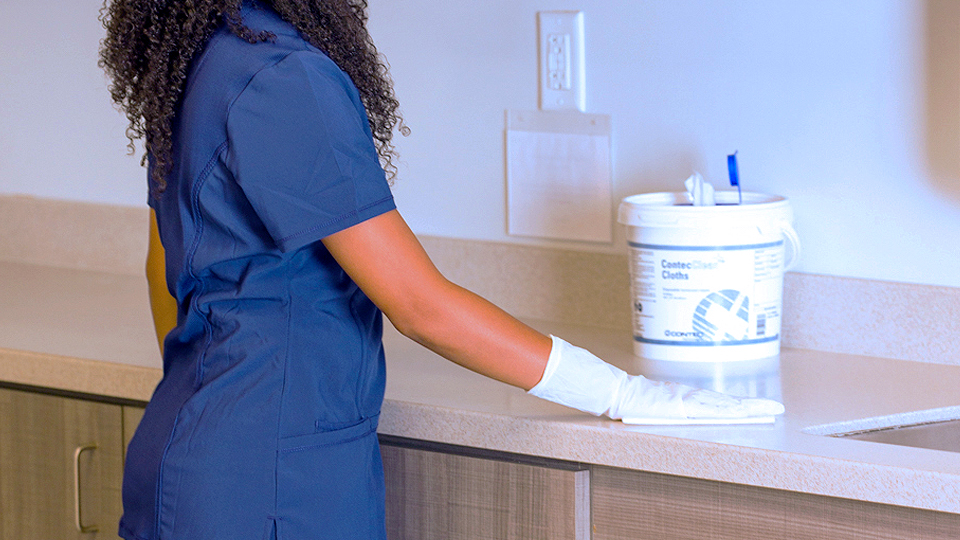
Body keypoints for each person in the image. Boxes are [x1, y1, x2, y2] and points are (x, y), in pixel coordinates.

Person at [99, 1, 784, 538]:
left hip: (188, 456)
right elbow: (418, 304)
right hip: (275, 482)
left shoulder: (207, 59)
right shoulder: (285, 78)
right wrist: (624, 395)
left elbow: (164, 261)